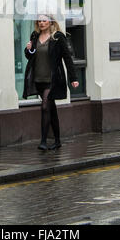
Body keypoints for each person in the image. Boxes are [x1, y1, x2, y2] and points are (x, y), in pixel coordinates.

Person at [23, 15, 79, 151]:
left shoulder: (58, 37)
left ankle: (43, 141)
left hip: (53, 80)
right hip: (38, 79)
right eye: (39, 21)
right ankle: (58, 140)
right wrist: (29, 49)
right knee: (51, 109)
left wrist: (73, 78)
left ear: (50, 22)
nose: (41, 23)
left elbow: (67, 57)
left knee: (45, 107)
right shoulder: (35, 36)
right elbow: (30, 56)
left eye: (44, 20)